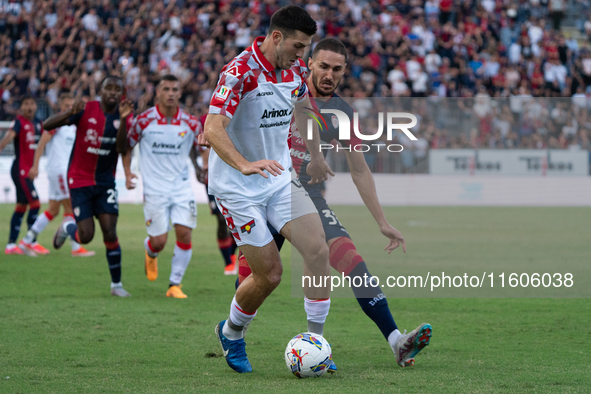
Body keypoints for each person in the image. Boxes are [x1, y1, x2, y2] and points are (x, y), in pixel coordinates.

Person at [237, 38, 432, 368]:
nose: (329, 74)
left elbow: (359, 169)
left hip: (307, 198)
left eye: (337, 69)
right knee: (254, 280)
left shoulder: (341, 112)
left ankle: (389, 341)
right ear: (309, 62)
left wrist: (382, 222)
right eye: (323, 66)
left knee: (350, 261)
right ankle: (234, 336)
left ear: (344, 71)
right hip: (262, 192)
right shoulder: (283, 85)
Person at [204, 6, 335, 373]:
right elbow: (213, 128)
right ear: (276, 37)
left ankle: (317, 345)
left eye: (305, 48)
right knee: (270, 275)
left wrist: (315, 155)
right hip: (236, 189)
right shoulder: (239, 72)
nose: (302, 56)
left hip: (278, 179)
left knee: (317, 251)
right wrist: (245, 163)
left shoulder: (292, 69)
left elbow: (304, 107)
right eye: (297, 46)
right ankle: (231, 332)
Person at [46, 76, 133, 297]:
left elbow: (122, 148)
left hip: (105, 182)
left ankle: (116, 285)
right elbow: (46, 125)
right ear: (100, 91)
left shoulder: (124, 116)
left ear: (121, 93)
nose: (112, 92)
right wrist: (69, 113)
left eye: (117, 89)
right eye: (108, 88)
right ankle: (68, 228)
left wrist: (123, 121)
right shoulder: (85, 109)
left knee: (110, 231)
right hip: (80, 180)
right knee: (86, 236)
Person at [117, 74, 202, 298]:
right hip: (155, 190)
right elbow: (126, 146)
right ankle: (150, 250)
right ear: (158, 93)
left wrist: (201, 168)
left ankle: (175, 285)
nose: (171, 93)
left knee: (185, 233)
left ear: (180, 93)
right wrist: (127, 173)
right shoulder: (144, 121)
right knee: (159, 241)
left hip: (181, 187)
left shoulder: (191, 122)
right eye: (166, 89)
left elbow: (198, 147)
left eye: (175, 89)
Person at [20, 92, 95, 257]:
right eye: (66, 105)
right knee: (70, 209)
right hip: (59, 171)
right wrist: (35, 166)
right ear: (60, 106)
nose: (70, 108)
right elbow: (41, 143)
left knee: (53, 210)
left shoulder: (73, 125)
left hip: (61, 171)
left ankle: (27, 240)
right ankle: (76, 248)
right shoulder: (59, 123)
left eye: (71, 105)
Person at [0, 95, 48, 255]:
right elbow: (9, 136)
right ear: (21, 107)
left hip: (30, 170)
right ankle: (30, 241)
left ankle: (10, 246)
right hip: (20, 170)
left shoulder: (39, 123)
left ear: (36, 106)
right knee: (35, 204)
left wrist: (36, 167)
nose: (30, 107)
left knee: (21, 206)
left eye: (32, 104)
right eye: (26, 104)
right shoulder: (19, 122)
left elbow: (40, 146)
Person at [193, 120, 238, 276]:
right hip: (212, 178)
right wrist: (197, 167)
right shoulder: (206, 119)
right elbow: (193, 145)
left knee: (236, 217)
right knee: (220, 218)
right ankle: (228, 263)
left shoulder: (240, 116)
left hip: (234, 176)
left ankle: (232, 253)